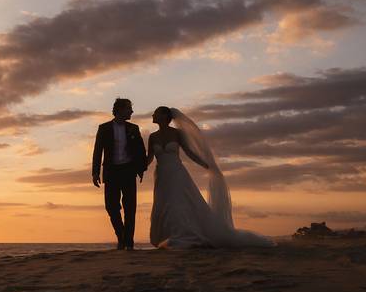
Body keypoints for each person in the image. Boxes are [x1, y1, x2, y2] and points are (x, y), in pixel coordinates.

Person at [146, 106, 275, 248]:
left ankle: (182, 234)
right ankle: (166, 235)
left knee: (178, 203)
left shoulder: (177, 134)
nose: (153, 115)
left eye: (156, 113)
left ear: (164, 116)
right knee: (163, 203)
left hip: (177, 173)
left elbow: (189, 152)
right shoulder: (152, 137)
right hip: (161, 175)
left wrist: (205, 164)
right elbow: (150, 158)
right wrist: (138, 168)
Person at [92, 98, 147, 249]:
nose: (131, 111)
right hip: (111, 172)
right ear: (120, 109)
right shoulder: (104, 128)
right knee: (111, 206)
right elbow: (98, 151)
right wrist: (95, 172)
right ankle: (121, 235)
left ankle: (128, 241)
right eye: (129, 108)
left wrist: (141, 169)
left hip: (128, 171)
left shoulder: (133, 128)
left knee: (130, 208)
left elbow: (141, 150)